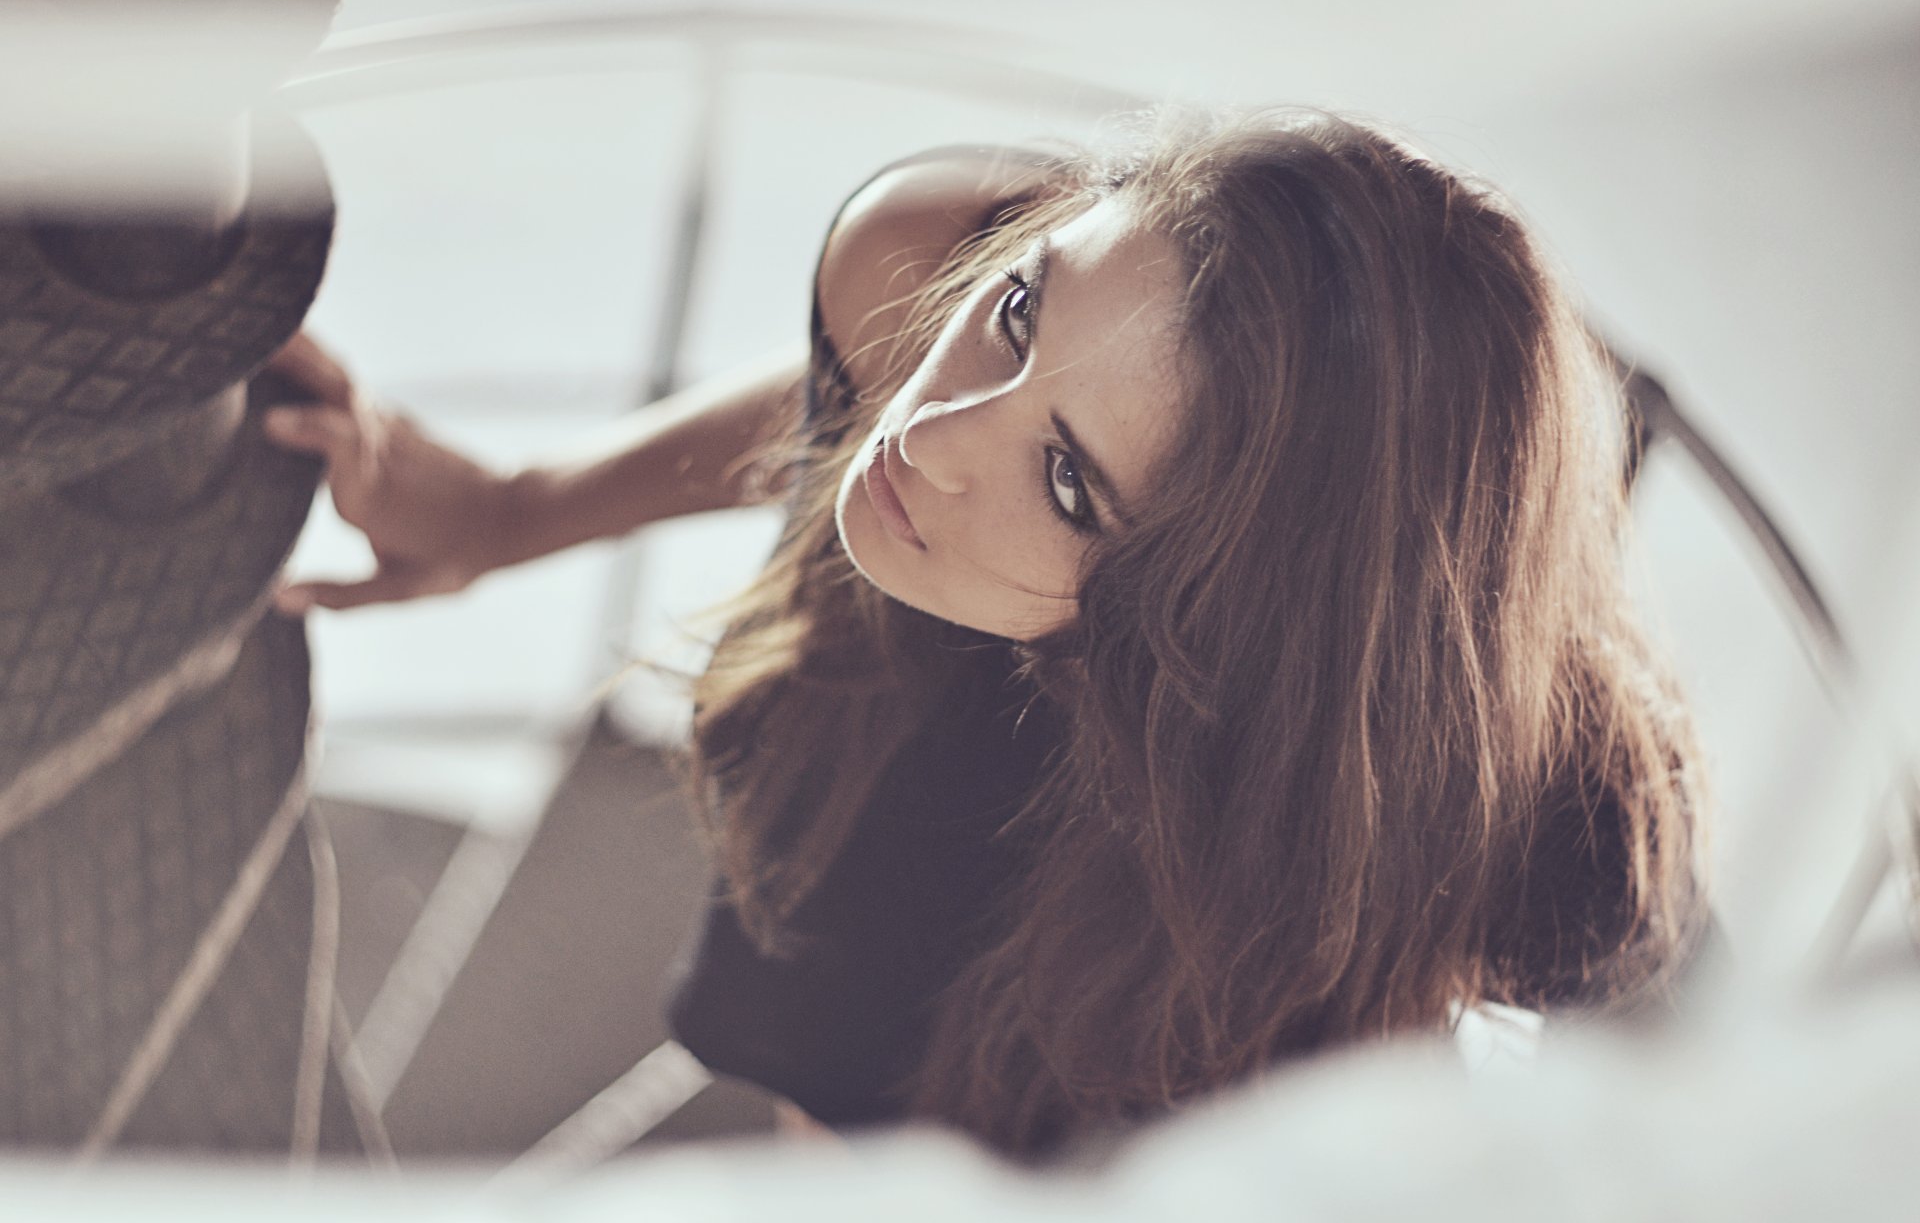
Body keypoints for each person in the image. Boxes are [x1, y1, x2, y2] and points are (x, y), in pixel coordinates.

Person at [263, 106, 1710, 1158]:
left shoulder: (1493, 831)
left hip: (1198, 945)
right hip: (925, 747)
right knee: (830, 1034)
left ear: (1217, 621)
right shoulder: (928, 257)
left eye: (1068, 479)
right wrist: (515, 510)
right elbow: (853, 393)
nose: (931, 434)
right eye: (1018, 316)